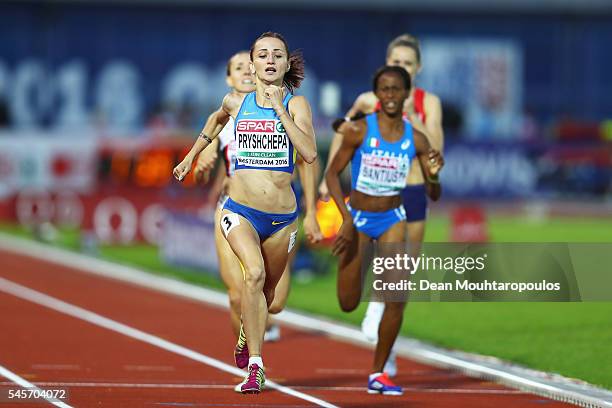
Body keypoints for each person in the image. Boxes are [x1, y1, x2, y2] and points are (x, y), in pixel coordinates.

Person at [173, 32, 317, 394]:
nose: (270, 60)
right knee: (252, 274)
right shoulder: (236, 102)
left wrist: (280, 109)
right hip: (239, 211)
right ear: (252, 65)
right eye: (263, 55)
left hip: (282, 218)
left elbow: (310, 154)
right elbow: (214, 121)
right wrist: (191, 156)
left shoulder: (298, 106)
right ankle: (256, 365)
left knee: (270, 295)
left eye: (277, 55)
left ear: (286, 65)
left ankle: (245, 335)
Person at [319, 34, 444, 375]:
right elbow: (343, 134)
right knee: (358, 286)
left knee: (400, 279)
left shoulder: (427, 102)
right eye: (395, 61)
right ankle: (371, 305)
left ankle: (385, 354)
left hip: (411, 193)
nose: (400, 67)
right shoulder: (368, 99)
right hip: (366, 202)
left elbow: (435, 146)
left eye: (407, 63)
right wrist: (324, 179)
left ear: (417, 68)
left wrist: (409, 117)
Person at [193, 51, 322, 349]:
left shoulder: (286, 111)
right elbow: (205, 165)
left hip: (277, 211)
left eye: (247, 67)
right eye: (238, 68)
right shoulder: (224, 120)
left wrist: (312, 210)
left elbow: (308, 162)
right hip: (234, 209)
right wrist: (200, 167)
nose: (246, 74)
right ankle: (250, 355)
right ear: (229, 78)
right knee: (238, 293)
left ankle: (266, 295)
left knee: (274, 304)